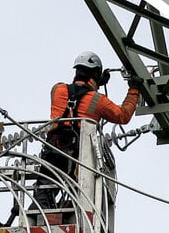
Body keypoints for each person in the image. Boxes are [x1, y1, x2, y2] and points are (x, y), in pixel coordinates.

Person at [32, 51, 141, 209]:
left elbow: (75, 95)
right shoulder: (98, 100)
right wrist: (134, 90)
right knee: (75, 194)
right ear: (96, 73)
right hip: (77, 155)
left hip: (52, 149)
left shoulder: (57, 90)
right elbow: (123, 116)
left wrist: (95, 83)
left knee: (46, 187)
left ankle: (38, 214)